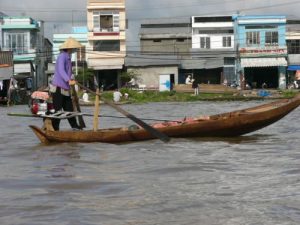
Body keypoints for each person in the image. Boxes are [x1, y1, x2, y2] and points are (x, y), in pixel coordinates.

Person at [50, 37, 83, 131]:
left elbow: (68, 72)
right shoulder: (62, 56)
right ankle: (54, 129)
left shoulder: (68, 57)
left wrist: (72, 79)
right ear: (69, 48)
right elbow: (61, 70)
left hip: (65, 88)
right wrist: (68, 80)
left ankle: (75, 127)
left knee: (69, 110)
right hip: (58, 88)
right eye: (74, 48)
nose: (75, 50)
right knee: (58, 111)